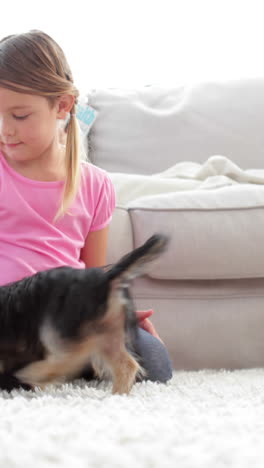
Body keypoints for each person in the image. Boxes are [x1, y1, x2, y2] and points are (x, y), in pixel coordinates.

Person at [0, 30, 172, 384]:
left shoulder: (95, 184)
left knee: (154, 359)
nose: (5, 130)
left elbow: (94, 273)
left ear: (62, 106)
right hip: (9, 321)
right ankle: (48, 368)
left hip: (68, 318)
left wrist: (115, 312)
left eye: (19, 115)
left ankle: (51, 367)